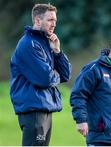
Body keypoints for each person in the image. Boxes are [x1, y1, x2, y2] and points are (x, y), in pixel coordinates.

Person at [10, 3, 71, 146]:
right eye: (50, 20)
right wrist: (55, 75)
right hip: (34, 110)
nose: (54, 24)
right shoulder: (29, 44)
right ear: (37, 21)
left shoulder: (45, 44)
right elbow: (44, 78)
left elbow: (66, 75)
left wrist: (57, 51)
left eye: (55, 20)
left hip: (44, 108)